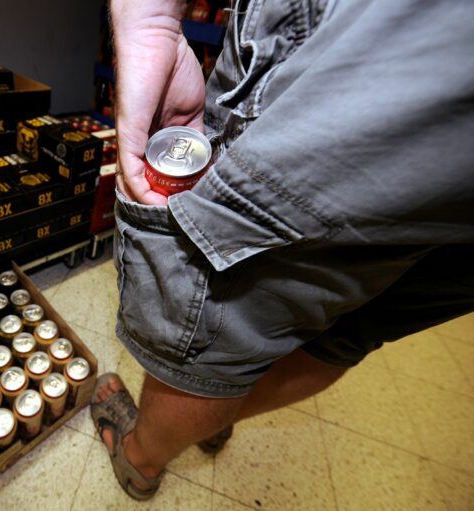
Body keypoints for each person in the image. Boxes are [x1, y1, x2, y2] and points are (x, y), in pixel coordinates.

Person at [91, 0, 474, 501]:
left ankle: (141, 458)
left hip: (371, 48)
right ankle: (210, 420)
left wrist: (150, 20)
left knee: (212, 331)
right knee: (354, 322)